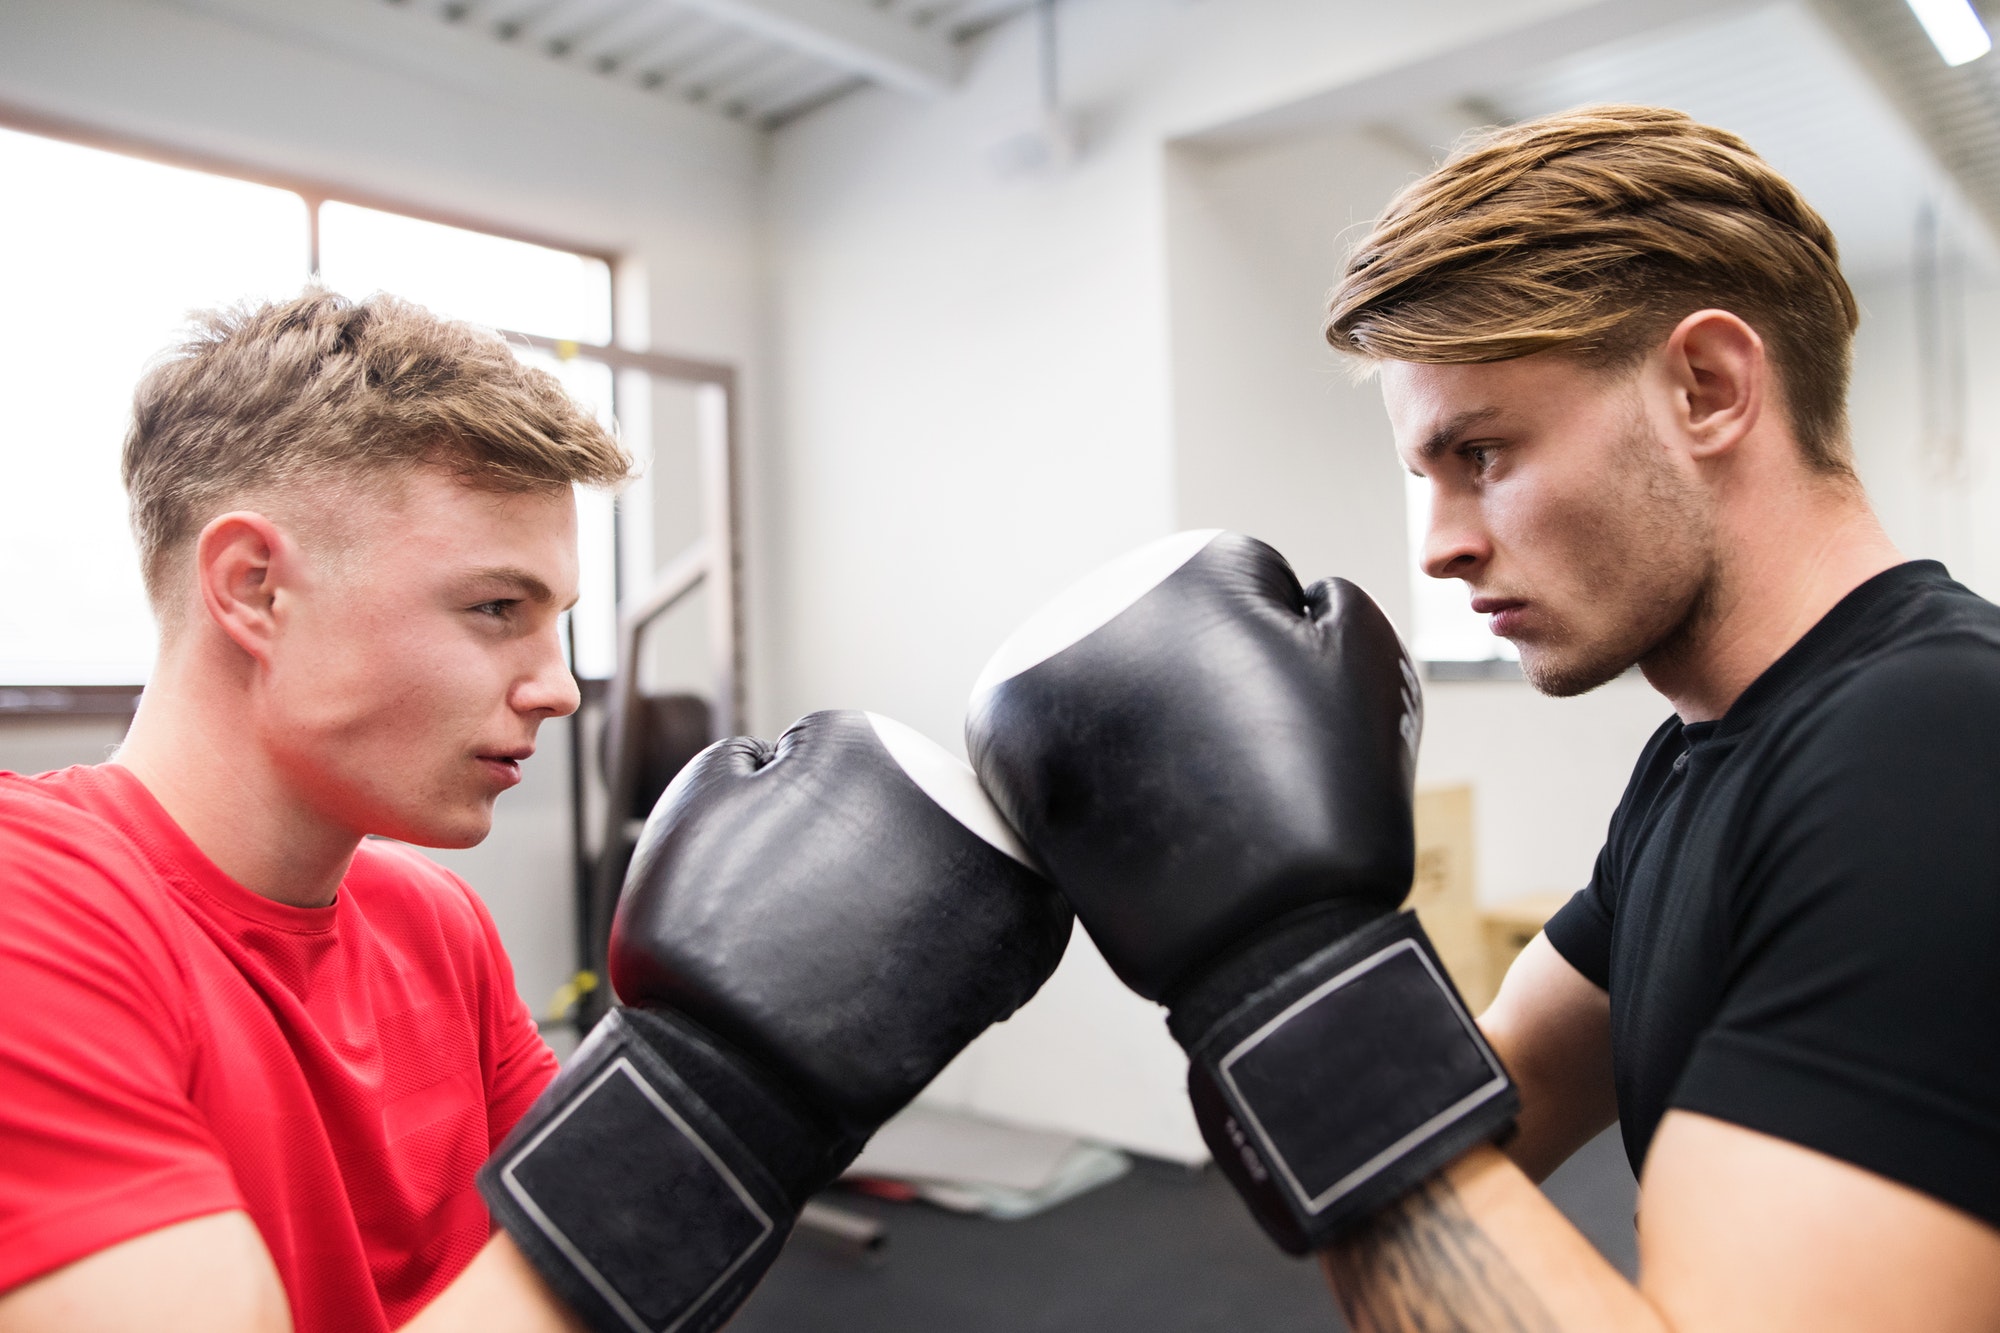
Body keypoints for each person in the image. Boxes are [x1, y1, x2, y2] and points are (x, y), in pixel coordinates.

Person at [967, 104, 2000, 1331]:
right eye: (1428, 479)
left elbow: (1413, 1161)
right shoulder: (1702, 760)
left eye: (1484, 454)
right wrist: (1257, 951)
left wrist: (1288, 976)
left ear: (1706, 388)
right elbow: (1483, 1123)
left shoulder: (1931, 748)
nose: (1445, 546)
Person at [0, 288, 1077, 1333]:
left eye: (553, 618)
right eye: (495, 608)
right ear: (252, 588)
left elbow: (609, 1284)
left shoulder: (434, 926)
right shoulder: (31, 909)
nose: (557, 687)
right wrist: (730, 1093)